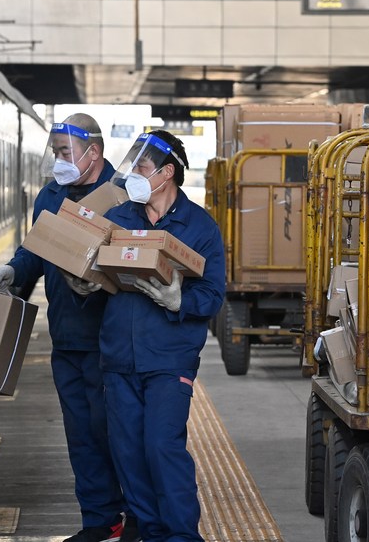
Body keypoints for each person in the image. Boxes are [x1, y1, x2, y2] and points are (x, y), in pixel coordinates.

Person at [0, 114, 137, 542]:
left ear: (94, 152)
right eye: (55, 153)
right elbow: (36, 248)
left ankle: (139, 515)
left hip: (111, 339)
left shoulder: (122, 196)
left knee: (115, 431)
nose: (59, 161)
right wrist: (14, 271)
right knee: (81, 435)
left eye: (65, 153)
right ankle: (100, 521)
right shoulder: (50, 195)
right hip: (67, 336)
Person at [100, 130, 226, 542]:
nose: (133, 173)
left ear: (167, 173)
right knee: (129, 455)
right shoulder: (119, 220)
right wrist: (83, 284)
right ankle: (151, 534)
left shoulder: (199, 226)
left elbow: (213, 294)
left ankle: (182, 536)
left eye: (141, 166)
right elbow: (93, 272)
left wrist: (179, 300)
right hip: (119, 356)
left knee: (161, 447)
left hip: (169, 358)